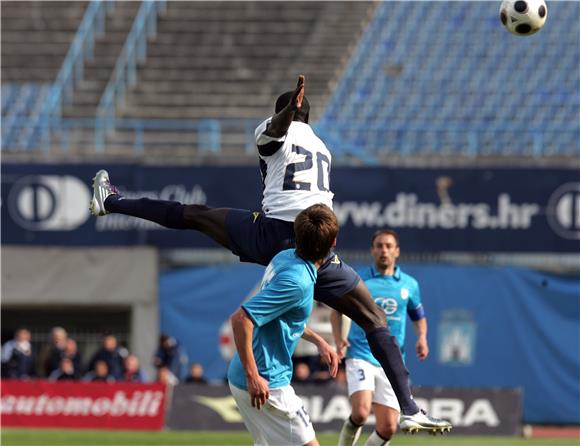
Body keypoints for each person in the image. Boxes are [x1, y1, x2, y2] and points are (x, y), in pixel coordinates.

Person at [89, 75, 450, 432]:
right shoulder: (323, 148)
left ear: (289, 111)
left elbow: (275, 132)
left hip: (275, 232)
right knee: (374, 319)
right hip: (321, 247)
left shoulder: (277, 129)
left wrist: (286, 111)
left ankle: (112, 201)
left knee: (193, 215)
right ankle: (410, 407)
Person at [228, 204, 340, 446]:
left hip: (245, 377)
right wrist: (254, 376)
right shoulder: (298, 282)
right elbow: (241, 318)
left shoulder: (284, 257)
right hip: (267, 383)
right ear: (333, 241)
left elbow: (281, 317)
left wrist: (319, 340)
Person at [332, 229, 443, 445]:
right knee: (361, 413)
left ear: (397, 251)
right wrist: (338, 339)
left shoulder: (409, 285)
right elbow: (336, 310)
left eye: (388, 246)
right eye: (379, 246)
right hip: (361, 353)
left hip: (391, 361)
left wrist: (422, 338)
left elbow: (418, 316)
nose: (384, 250)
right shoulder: (358, 279)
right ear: (372, 251)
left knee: (388, 427)